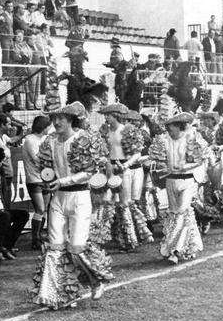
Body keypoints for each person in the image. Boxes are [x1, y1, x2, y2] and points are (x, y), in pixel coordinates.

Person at [30, 101, 113, 309]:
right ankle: (59, 295)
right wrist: (48, 180)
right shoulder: (49, 142)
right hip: (58, 198)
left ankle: (96, 280)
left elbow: (88, 172)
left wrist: (63, 181)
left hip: (79, 198)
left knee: (77, 247)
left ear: (70, 120)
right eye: (54, 118)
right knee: (55, 247)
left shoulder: (82, 139)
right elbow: (46, 168)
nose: (56, 122)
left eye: (61, 118)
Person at [149, 112, 207, 264]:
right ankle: (188, 246)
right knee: (175, 213)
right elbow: (158, 160)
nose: (169, 130)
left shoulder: (191, 139)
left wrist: (185, 166)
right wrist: (161, 165)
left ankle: (174, 250)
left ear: (179, 126)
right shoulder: (163, 140)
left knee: (182, 211)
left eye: (172, 126)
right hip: (170, 181)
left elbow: (200, 160)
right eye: (167, 127)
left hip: (187, 181)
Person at [100, 103, 154, 252]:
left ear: (116, 115)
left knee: (125, 204)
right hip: (110, 169)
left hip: (124, 169)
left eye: (108, 115)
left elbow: (137, 153)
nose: (106, 118)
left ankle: (130, 239)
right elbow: (104, 151)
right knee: (108, 201)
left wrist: (126, 165)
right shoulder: (105, 131)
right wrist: (104, 161)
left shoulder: (127, 131)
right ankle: (112, 236)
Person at [22, 115, 51, 250]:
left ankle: (40, 235)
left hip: (46, 178)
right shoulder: (30, 140)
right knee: (39, 209)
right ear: (43, 127)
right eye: (48, 126)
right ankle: (35, 238)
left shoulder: (45, 138)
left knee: (44, 209)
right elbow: (37, 159)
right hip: (34, 179)